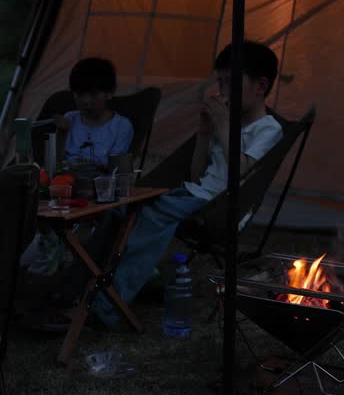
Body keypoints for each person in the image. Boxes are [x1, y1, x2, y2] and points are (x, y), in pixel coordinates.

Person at [89, 41, 283, 327]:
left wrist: (223, 125)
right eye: (221, 81)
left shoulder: (269, 129)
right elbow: (196, 176)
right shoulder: (229, 125)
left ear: (260, 85)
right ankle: (88, 284)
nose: (223, 89)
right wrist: (205, 135)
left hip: (219, 206)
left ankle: (107, 305)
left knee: (147, 218)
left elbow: (240, 171)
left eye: (232, 82)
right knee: (119, 209)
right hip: (194, 194)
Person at [52, 57, 133, 167]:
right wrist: (61, 134)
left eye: (93, 94)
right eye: (80, 94)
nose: (86, 101)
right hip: (66, 182)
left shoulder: (121, 126)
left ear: (109, 93)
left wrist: (87, 166)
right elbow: (55, 163)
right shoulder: (69, 119)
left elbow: (115, 169)